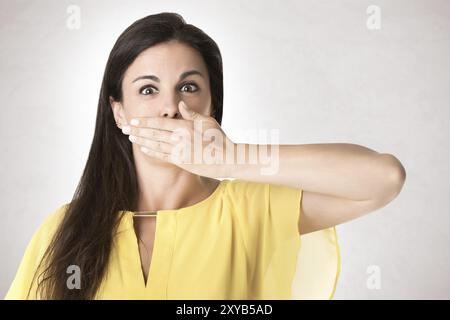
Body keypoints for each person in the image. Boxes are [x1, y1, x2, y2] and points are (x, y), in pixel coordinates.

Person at [5, 12, 405, 300]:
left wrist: (230, 159)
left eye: (189, 87)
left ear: (212, 103)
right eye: (148, 89)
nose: (170, 107)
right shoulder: (65, 229)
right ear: (118, 111)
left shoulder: (250, 209)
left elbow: (384, 177)